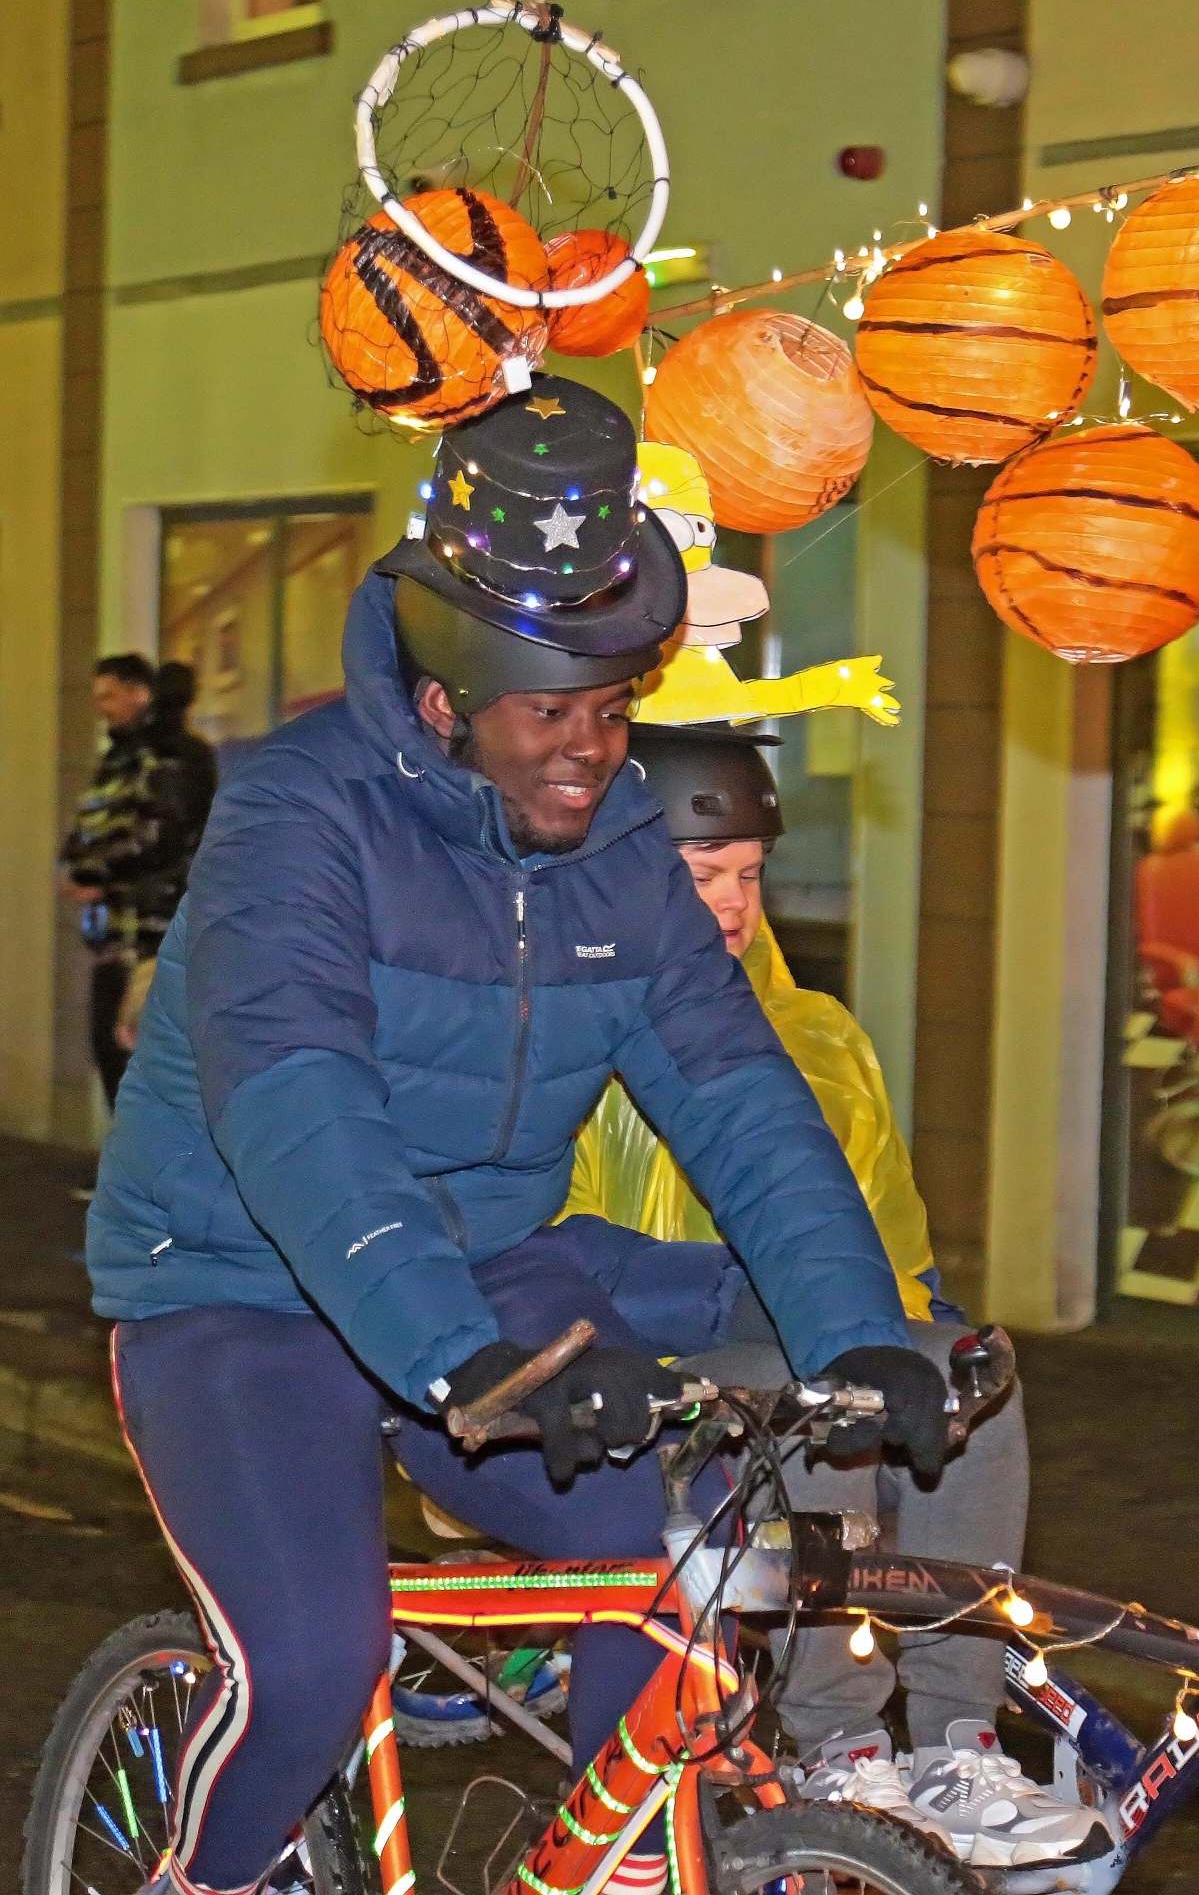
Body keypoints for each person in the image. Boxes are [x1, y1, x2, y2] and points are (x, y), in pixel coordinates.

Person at [87, 377, 952, 1895]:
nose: (590, 753)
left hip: (495, 1273)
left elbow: (738, 1091)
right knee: (312, 1662)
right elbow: (296, 1099)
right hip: (237, 1286)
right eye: (550, 715)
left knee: (673, 1582)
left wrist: (860, 1328)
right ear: (442, 705)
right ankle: (199, 1878)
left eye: (611, 711)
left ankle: (613, 1868)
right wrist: (458, 1363)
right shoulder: (296, 812)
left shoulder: (618, 847)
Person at [562, 724, 1109, 1872]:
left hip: (801, 1323)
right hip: (650, 1349)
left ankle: (957, 1736)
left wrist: (923, 1342)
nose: (732, 901)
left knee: (971, 1376)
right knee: (813, 1393)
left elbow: (887, 1236)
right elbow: (549, 1244)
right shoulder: (573, 1035)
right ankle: (838, 1740)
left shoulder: (818, 1036)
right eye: (702, 874)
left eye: (749, 873)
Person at [60, 654, 214, 1108]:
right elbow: (93, 822)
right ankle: (131, 1151)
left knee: (142, 1057)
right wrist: (74, 865)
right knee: (112, 1049)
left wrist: (94, 873)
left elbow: (159, 834)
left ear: (139, 693)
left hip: (156, 932)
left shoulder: (173, 756)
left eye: (108, 696)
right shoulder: (121, 758)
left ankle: (149, 1153)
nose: (101, 708)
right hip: (117, 932)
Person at [111, 662, 218, 1053]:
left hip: (140, 901)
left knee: (136, 1011)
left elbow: (127, 827)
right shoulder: (198, 755)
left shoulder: (140, 754)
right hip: (182, 897)